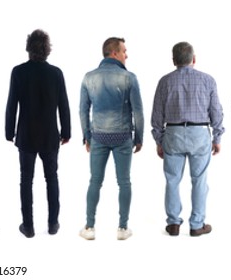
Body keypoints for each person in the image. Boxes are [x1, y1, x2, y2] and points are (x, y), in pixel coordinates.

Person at [151, 41, 221, 238]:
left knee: (172, 180)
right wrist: (217, 136)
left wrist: (159, 140)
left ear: (174, 60)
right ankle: (197, 225)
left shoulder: (164, 81)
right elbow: (216, 111)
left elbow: (157, 115)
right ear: (194, 59)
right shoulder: (208, 80)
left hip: (172, 133)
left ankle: (173, 223)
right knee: (199, 181)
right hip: (199, 133)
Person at [6, 29, 71, 238]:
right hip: (50, 135)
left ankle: (28, 226)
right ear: (47, 49)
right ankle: (53, 224)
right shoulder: (56, 73)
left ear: (28, 48)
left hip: (25, 135)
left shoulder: (18, 72)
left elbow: (11, 104)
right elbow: (64, 105)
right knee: (51, 178)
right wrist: (67, 131)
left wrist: (9, 131)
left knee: (26, 180)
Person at [78, 37, 144, 241]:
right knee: (124, 182)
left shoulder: (89, 77)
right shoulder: (129, 77)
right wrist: (139, 137)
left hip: (98, 136)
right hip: (123, 136)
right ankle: (123, 229)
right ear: (114, 53)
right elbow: (138, 112)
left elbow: (82, 111)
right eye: (124, 51)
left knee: (95, 181)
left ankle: (89, 227)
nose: (127, 54)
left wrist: (87, 136)